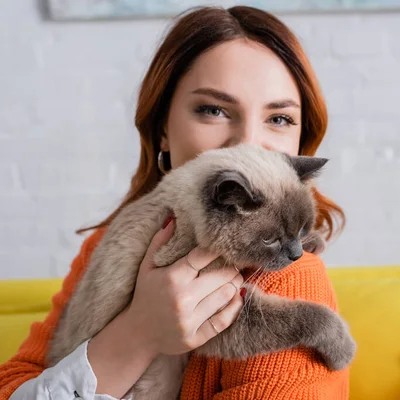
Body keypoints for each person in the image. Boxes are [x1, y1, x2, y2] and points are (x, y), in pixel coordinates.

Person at [0, 5, 347, 400]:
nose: (248, 143)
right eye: (213, 110)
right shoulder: (101, 247)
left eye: (279, 118)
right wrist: (137, 334)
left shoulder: (290, 276)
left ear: (302, 139)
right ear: (163, 128)